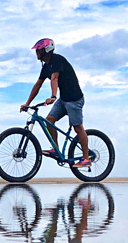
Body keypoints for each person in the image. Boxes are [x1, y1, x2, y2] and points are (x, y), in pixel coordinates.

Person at [20, 38, 90, 168]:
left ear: (46, 50)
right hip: (64, 99)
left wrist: (53, 96)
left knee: (78, 128)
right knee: (49, 120)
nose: (36, 53)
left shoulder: (57, 60)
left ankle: (86, 159)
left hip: (74, 99)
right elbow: (37, 85)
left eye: (38, 51)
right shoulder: (46, 67)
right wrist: (27, 103)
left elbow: (55, 78)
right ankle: (56, 151)